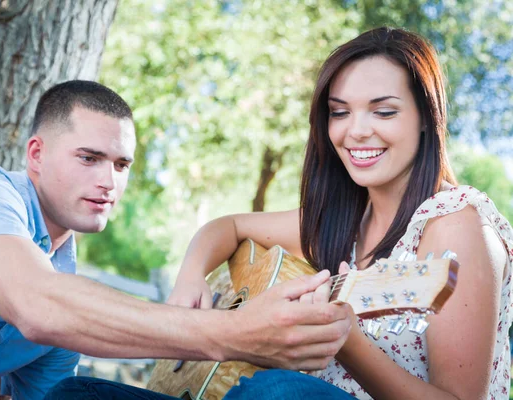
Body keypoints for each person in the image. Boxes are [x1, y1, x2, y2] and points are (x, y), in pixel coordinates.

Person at [48, 28, 513, 399]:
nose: (356, 131)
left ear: (426, 119)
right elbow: (225, 228)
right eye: (339, 112)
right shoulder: (341, 222)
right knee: (75, 391)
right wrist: (190, 278)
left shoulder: (457, 220)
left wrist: (347, 340)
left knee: (277, 389)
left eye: (383, 112)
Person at [0, 80, 352, 400]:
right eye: (89, 158)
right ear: (36, 155)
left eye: (122, 165)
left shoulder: (66, 300)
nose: (108, 181)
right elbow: (36, 304)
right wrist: (235, 332)